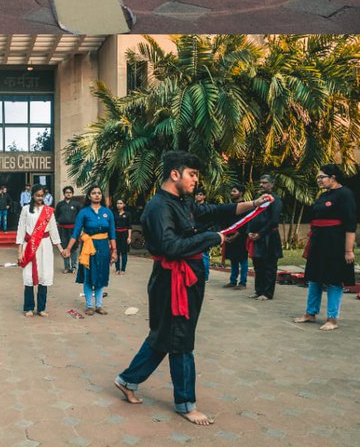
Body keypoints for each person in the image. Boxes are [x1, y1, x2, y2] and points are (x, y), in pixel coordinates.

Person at [113, 149, 272, 427]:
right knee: (181, 340)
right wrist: (213, 237)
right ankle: (185, 403)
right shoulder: (159, 207)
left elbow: (213, 210)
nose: (195, 180)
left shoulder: (182, 201)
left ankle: (127, 379)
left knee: (165, 336)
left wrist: (253, 203)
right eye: (192, 174)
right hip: (171, 281)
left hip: (185, 278)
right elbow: (170, 247)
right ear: (175, 174)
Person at [294, 162, 357, 331]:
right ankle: (310, 313)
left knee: (333, 281)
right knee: (314, 279)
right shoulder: (322, 196)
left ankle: (332, 318)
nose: (319, 180)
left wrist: (348, 250)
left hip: (335, 243)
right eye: (318, 177)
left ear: (333, 177)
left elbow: (351, 224)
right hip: (318, 243)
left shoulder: (345, 194)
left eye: (321, 177)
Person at [65, 184, 115, 313]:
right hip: (88, 248)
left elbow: (112, 232)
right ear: (89, 196)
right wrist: (68, 248)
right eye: (94, 193)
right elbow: (76, 231)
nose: (97, 195)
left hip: (103, 247)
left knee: (101, 275)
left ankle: (99, 305)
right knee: (88, 276)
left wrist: (114, 251)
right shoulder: (84, 212)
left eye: (99, 193)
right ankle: (89, 306)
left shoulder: (107, 212)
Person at [18, 184, 62, 316]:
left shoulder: (48, 211)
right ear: (32, 195)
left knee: (45, 275)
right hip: (29, 245)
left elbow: (54, 230)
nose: (39, 198)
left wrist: (60, 248)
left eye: (42, 195)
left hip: (45, 245)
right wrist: (19, 252)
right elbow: (21, 229)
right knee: (28, 276)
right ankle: (29, 307)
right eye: (37, 195)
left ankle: (41, 308)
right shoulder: (26, 209)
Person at [247, 173, 283, 301]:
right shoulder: (259, 199)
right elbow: (251, 216)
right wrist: (250, 231)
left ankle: (267, 293)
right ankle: (259, 290)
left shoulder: (275, 200)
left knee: (269, 266)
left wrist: (260, 233)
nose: (261, 185)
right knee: (258, 265)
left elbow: (273, 220)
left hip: (269, 237)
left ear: (272, 184)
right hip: (256, 237)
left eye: (265, 182)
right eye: (261, 182)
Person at [221, 184, 248, 287]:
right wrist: (226, 235)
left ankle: (242, 282)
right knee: (233, 259)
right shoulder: (231, 206)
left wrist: (237, 235)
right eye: (231, 191)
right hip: (229, 236)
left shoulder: (245, 206)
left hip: (240, 237)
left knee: (242, 260)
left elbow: (246, 222)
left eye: (234, 191)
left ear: (240, 193)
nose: (232, 193)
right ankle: (233, 281)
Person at [114, 198, 132, 274]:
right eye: (118, 203)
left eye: (121, 203)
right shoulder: (114, 214)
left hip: (124, 234)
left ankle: (123, 269)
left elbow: (129, 227)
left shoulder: (128, 214)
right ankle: (117, 268)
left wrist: (129, 237)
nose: (119, 205)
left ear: (124, 205)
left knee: (124, 252)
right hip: (116, 234)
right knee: (116, 252)